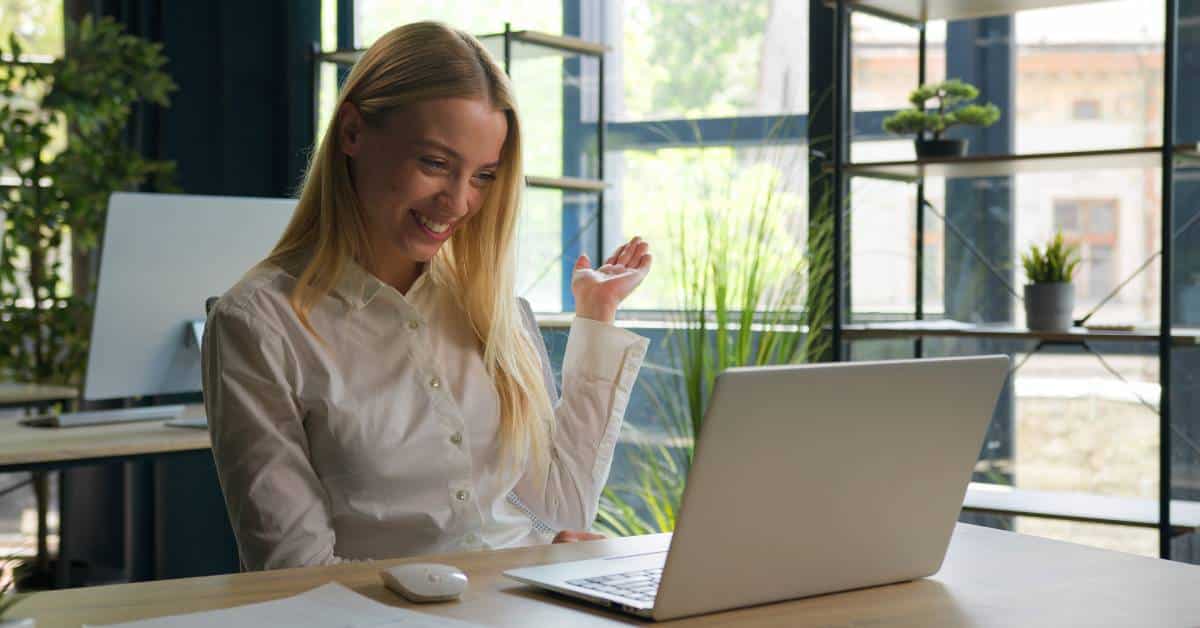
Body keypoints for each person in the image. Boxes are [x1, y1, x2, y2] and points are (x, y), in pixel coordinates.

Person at [201, 21, 652, 571]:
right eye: (435, 163)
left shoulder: (493, 310)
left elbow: (564, 507)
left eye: (484, 176)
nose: (458, 203)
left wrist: (597, 316)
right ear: (352, 132)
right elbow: (295, 574)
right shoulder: (258, 324)